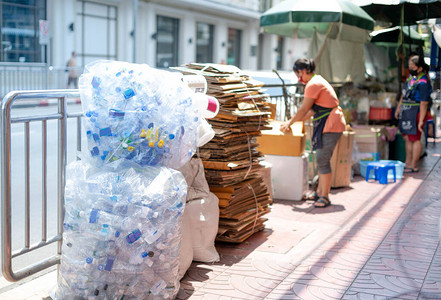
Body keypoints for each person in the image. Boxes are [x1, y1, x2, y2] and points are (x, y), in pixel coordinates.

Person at [280, 58, 346, 208]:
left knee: (322, 159)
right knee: (321, 158)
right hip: (328, 123)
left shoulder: (313, 84)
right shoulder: (317, 81)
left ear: (302, 71)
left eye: (298, 73)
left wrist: (290, 122)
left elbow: (304, 110)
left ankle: (325, 196)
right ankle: (319, 192)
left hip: (331, 124)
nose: (298, 77)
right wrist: (292, 123)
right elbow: (310, 112)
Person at [395, 55, 432, 173]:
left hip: (416, 113)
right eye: (409, 66)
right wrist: (398, 108)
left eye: (412, 66)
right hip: (406, 111)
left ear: (420, 68)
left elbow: (424, 103)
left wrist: (421, 120)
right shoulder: (411, 78)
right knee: (407, 138)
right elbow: (404, 94)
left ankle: (414, 165)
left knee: (415, 138)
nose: (410, 68)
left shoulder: (423, 82)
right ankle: (408, 162)